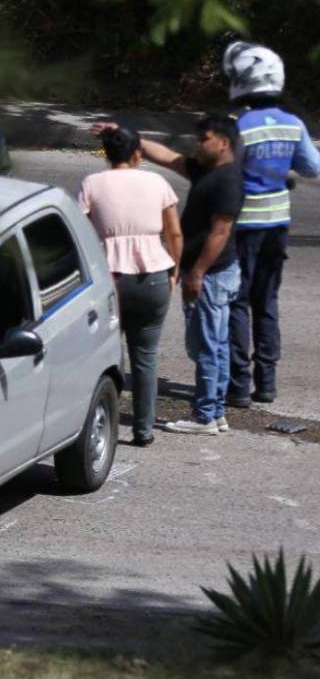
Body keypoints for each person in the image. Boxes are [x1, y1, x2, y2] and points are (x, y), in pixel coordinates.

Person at [220, 42, 320, 406]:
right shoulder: (293, 125)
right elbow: (313, 167)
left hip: (244, 226)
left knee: (237, 302)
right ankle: (267, 383)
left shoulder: (239, 127)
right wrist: (283, 174)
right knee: (267, 301)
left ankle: (238, 385)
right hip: (278, 225)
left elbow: (225, 172)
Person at [135, 115, 245, 435]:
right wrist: (133, 138)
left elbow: (220, 233)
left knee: (206, 346)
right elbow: (168, 157)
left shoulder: (227, 181)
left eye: (204, 139)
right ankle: (216, 411)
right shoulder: (207, 171)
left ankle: (204, 416)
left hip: (211, 276)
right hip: (212, 274)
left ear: (223, 143)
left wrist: (196, 273)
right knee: (215, 344)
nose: (198, 143)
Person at [79, 125, 182, 445]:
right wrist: (174, 272)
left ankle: (95, 426)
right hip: (153, 278)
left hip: (108, 280)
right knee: (145, 356)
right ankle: (143, 430)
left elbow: (80, 230)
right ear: (138, 152)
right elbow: (174, 234)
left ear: (106, 154)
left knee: (101, 357)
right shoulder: (157, 182)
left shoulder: (92, 183)